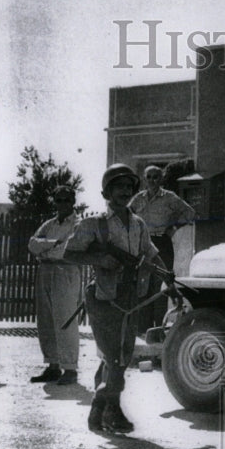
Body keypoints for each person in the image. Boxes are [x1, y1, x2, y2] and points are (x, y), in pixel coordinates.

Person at [63, 164, 168, 434]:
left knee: (120, 356)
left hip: (131, 297)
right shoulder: (94, 224)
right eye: (118, 187)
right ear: (107, 192)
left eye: (129, 187)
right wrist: (100, 259)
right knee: (114, 358)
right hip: (104, 298)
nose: (124, 191)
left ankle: (101, 411)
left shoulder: (139, 224)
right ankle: (109, 408)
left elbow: (152, 254)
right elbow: (69, 253)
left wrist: (168, 277)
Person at [128, 164, 195, 334]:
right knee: (142, 285)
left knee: (161, 284)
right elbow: (126, 214)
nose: (152, 180)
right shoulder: (138, 198)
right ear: (144, 178)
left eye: (155, 177)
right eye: (149, 177)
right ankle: (142, 331)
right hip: (142, 245)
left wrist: (172, 227)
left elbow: (190, 213)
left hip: (161, 244)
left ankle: (158, 329)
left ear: (162, 178)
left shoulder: (169, 197)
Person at [27, 185, 82, 385]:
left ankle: (70, 368)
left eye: (66, 200)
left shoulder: (78, 223)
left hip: (65, 270)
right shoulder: (49, 224)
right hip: (45, 270)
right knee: (46, 319)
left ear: (73, 201)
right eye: (58, 200)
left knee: (65, 318)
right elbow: (32, 244)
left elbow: (67, 249)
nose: (62, 204)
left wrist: (46, 247)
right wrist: (54, 243)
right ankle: (52, 365)